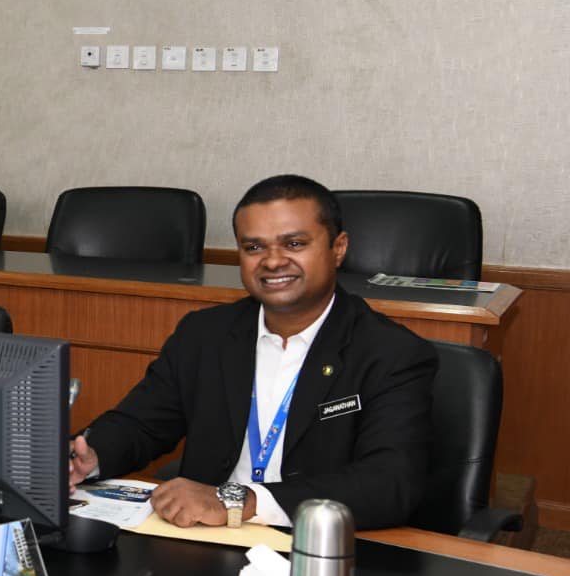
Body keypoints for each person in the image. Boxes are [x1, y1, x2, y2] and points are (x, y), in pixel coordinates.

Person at [69, 175, 437, 531]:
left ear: (338, 248)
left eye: (294, 244)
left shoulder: (392, 353)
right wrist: (91, 456)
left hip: (316, 544)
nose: (273, 261)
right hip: (201, 536)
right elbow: (141, 423)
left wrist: (240, 501)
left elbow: (390, 482)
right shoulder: (204, 334)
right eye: (254, 247)